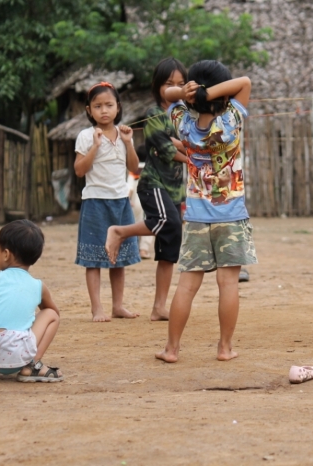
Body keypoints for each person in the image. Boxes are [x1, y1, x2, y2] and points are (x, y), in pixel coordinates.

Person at [150, 60, 256, 363]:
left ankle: (171, 349)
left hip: (196, 216)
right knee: (228, 284)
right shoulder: (232, 119)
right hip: (232, 214)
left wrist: (188, 93)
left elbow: (167, 94)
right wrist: (207, 94)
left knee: (186, 285)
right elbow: (245, 81)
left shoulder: (183, 122)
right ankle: (225, 348)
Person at [105, 58, 188, 321]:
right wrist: (194, 156)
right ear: (157, 86)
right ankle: (120, 232)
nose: (175, 88)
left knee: (169, 247)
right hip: (153, 184)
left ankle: (159, 307)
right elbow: (165, 150)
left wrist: (183, 144)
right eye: (168, 83)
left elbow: (189, 140)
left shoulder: (183, 116)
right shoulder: (154, 113)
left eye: (180, 84)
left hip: (175, 189)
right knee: (165, 220)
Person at [0, 220, 63, 382]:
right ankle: (31, 366)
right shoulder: (38, 286)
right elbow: (53, 312)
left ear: (6, 254)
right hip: (16, 358)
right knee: (51, 314)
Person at [74, 81, 141, 322]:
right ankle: (97, 308)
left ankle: (118, 306)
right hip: (95, 202)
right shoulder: (85, 135)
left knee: (118, 258)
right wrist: (95, 145)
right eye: (98, 106)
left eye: (109, 105)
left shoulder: (125, 134)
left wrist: (127, 142)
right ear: (88, 110)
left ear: (118, 107)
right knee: (93, 259)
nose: (104, 110)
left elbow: (134, 168)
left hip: (121, 201)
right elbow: (79, 171)